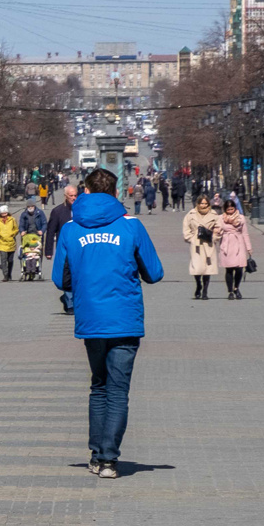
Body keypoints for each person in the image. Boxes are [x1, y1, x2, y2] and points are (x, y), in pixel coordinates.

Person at [52, 167, 163, 479]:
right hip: (125, 320)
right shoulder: (131, 226)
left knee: (98, 386)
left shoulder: (72, 229)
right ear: (117, 192)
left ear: (86, 191)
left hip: (91, 320)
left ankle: (96, 455)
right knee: (117, 390)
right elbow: (154, 273)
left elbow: (60, 279)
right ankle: (109, 460)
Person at [181, 194, 220, 300]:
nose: (203, 205)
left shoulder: (214, 215)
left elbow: (219, 227)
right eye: (202, 203)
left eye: (206, 203)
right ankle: (198, 284)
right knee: (197, 267)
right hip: (196, 244)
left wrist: (215, 236)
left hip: (208, 243)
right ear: (198, 204)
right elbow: (186, 228)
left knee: (208, 268)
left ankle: (205, 291)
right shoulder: (191, 214)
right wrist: (190, 238)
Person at [215, 198, 252, 299]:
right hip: (227, 244)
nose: (230, 211)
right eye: (228, 209)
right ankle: (230, 291)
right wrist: (217, 233)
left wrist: (249, 247)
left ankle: (236, 287)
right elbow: (216, 230)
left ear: (235, 208)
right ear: (225, 209)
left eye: (232, 209)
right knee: (229, 269)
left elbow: (245, 233)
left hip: (239, 244)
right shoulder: (220, 218)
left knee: (239, 268)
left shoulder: (241, 218)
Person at [45, 183, 76, 264]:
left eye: (75, 195)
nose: (73, 198)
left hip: (78, 247)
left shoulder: (82, 210)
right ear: (65, 196)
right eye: (71, 196)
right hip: (63, 248)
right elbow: (50, 232)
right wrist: (49, 251)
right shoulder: (57, 211)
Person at [0, 205, 19, 281]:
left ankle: (9, 274)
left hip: (11, 242)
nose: (4, 215)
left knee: (10, 260)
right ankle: (5, 276)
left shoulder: (12, 220)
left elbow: (16, 229)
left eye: (5, 213)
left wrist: (12, 234)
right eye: (2, 213)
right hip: (2, 243)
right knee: (3, 260)